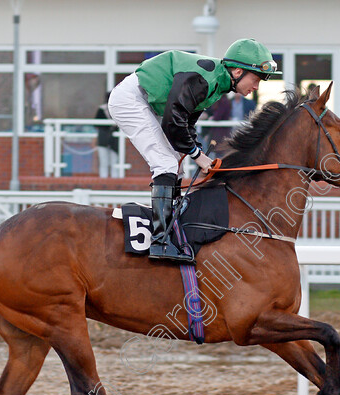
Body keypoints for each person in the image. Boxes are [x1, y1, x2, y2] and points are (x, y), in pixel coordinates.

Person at [108, 38, 280, 262]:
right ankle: (161, 241)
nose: (256, 87)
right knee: (166, 164)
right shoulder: (204, 79)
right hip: (130, 99)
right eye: (255, 79)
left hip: (146, 102)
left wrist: (196, 151)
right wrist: (198, 156)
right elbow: (173, 120)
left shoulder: (217, 84)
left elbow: (185, 123)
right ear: (238, 71)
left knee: (174, 166)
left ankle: (170, 230)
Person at [95, 92, 119, 178]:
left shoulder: (118, 109)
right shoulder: (102, 109)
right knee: (103, 160)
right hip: (103, 137)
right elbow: (97, 124)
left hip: (115, 138)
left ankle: (115, 177)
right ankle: (103, 177)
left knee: (115, 160)